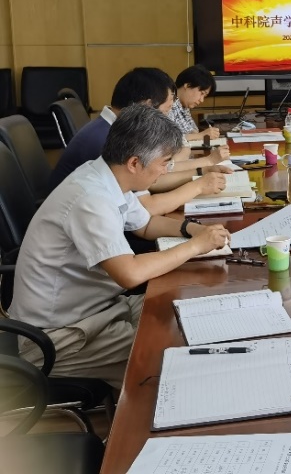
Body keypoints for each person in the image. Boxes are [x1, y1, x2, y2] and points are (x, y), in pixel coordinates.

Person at [9, 105, 231, 388]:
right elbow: (130, 273)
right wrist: (195, 247)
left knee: (185, 307)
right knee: (173, 350)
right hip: (56, 337)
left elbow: (145, 225)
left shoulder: (106, 177)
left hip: (98, 310)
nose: (166, 170)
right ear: (135, 163)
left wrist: (191, 229)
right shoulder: (90, 198)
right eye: (164, 162)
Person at [47, 67, 231, 215]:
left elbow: (155, 180)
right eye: (165, 112)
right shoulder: (109, 141)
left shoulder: (110, 129)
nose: (166, 121)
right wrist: (199, 185)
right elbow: (147, 206)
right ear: (146, 106)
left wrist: (202, 171)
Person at [169, 65, 220, 141]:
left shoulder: (185, 106)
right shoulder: (167, 104)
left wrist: (204, 135)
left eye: (204, 96)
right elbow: (167, 140)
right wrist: (201, 135)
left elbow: (193, 131)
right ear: (187, 85)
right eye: (202, 93)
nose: (202, 100)